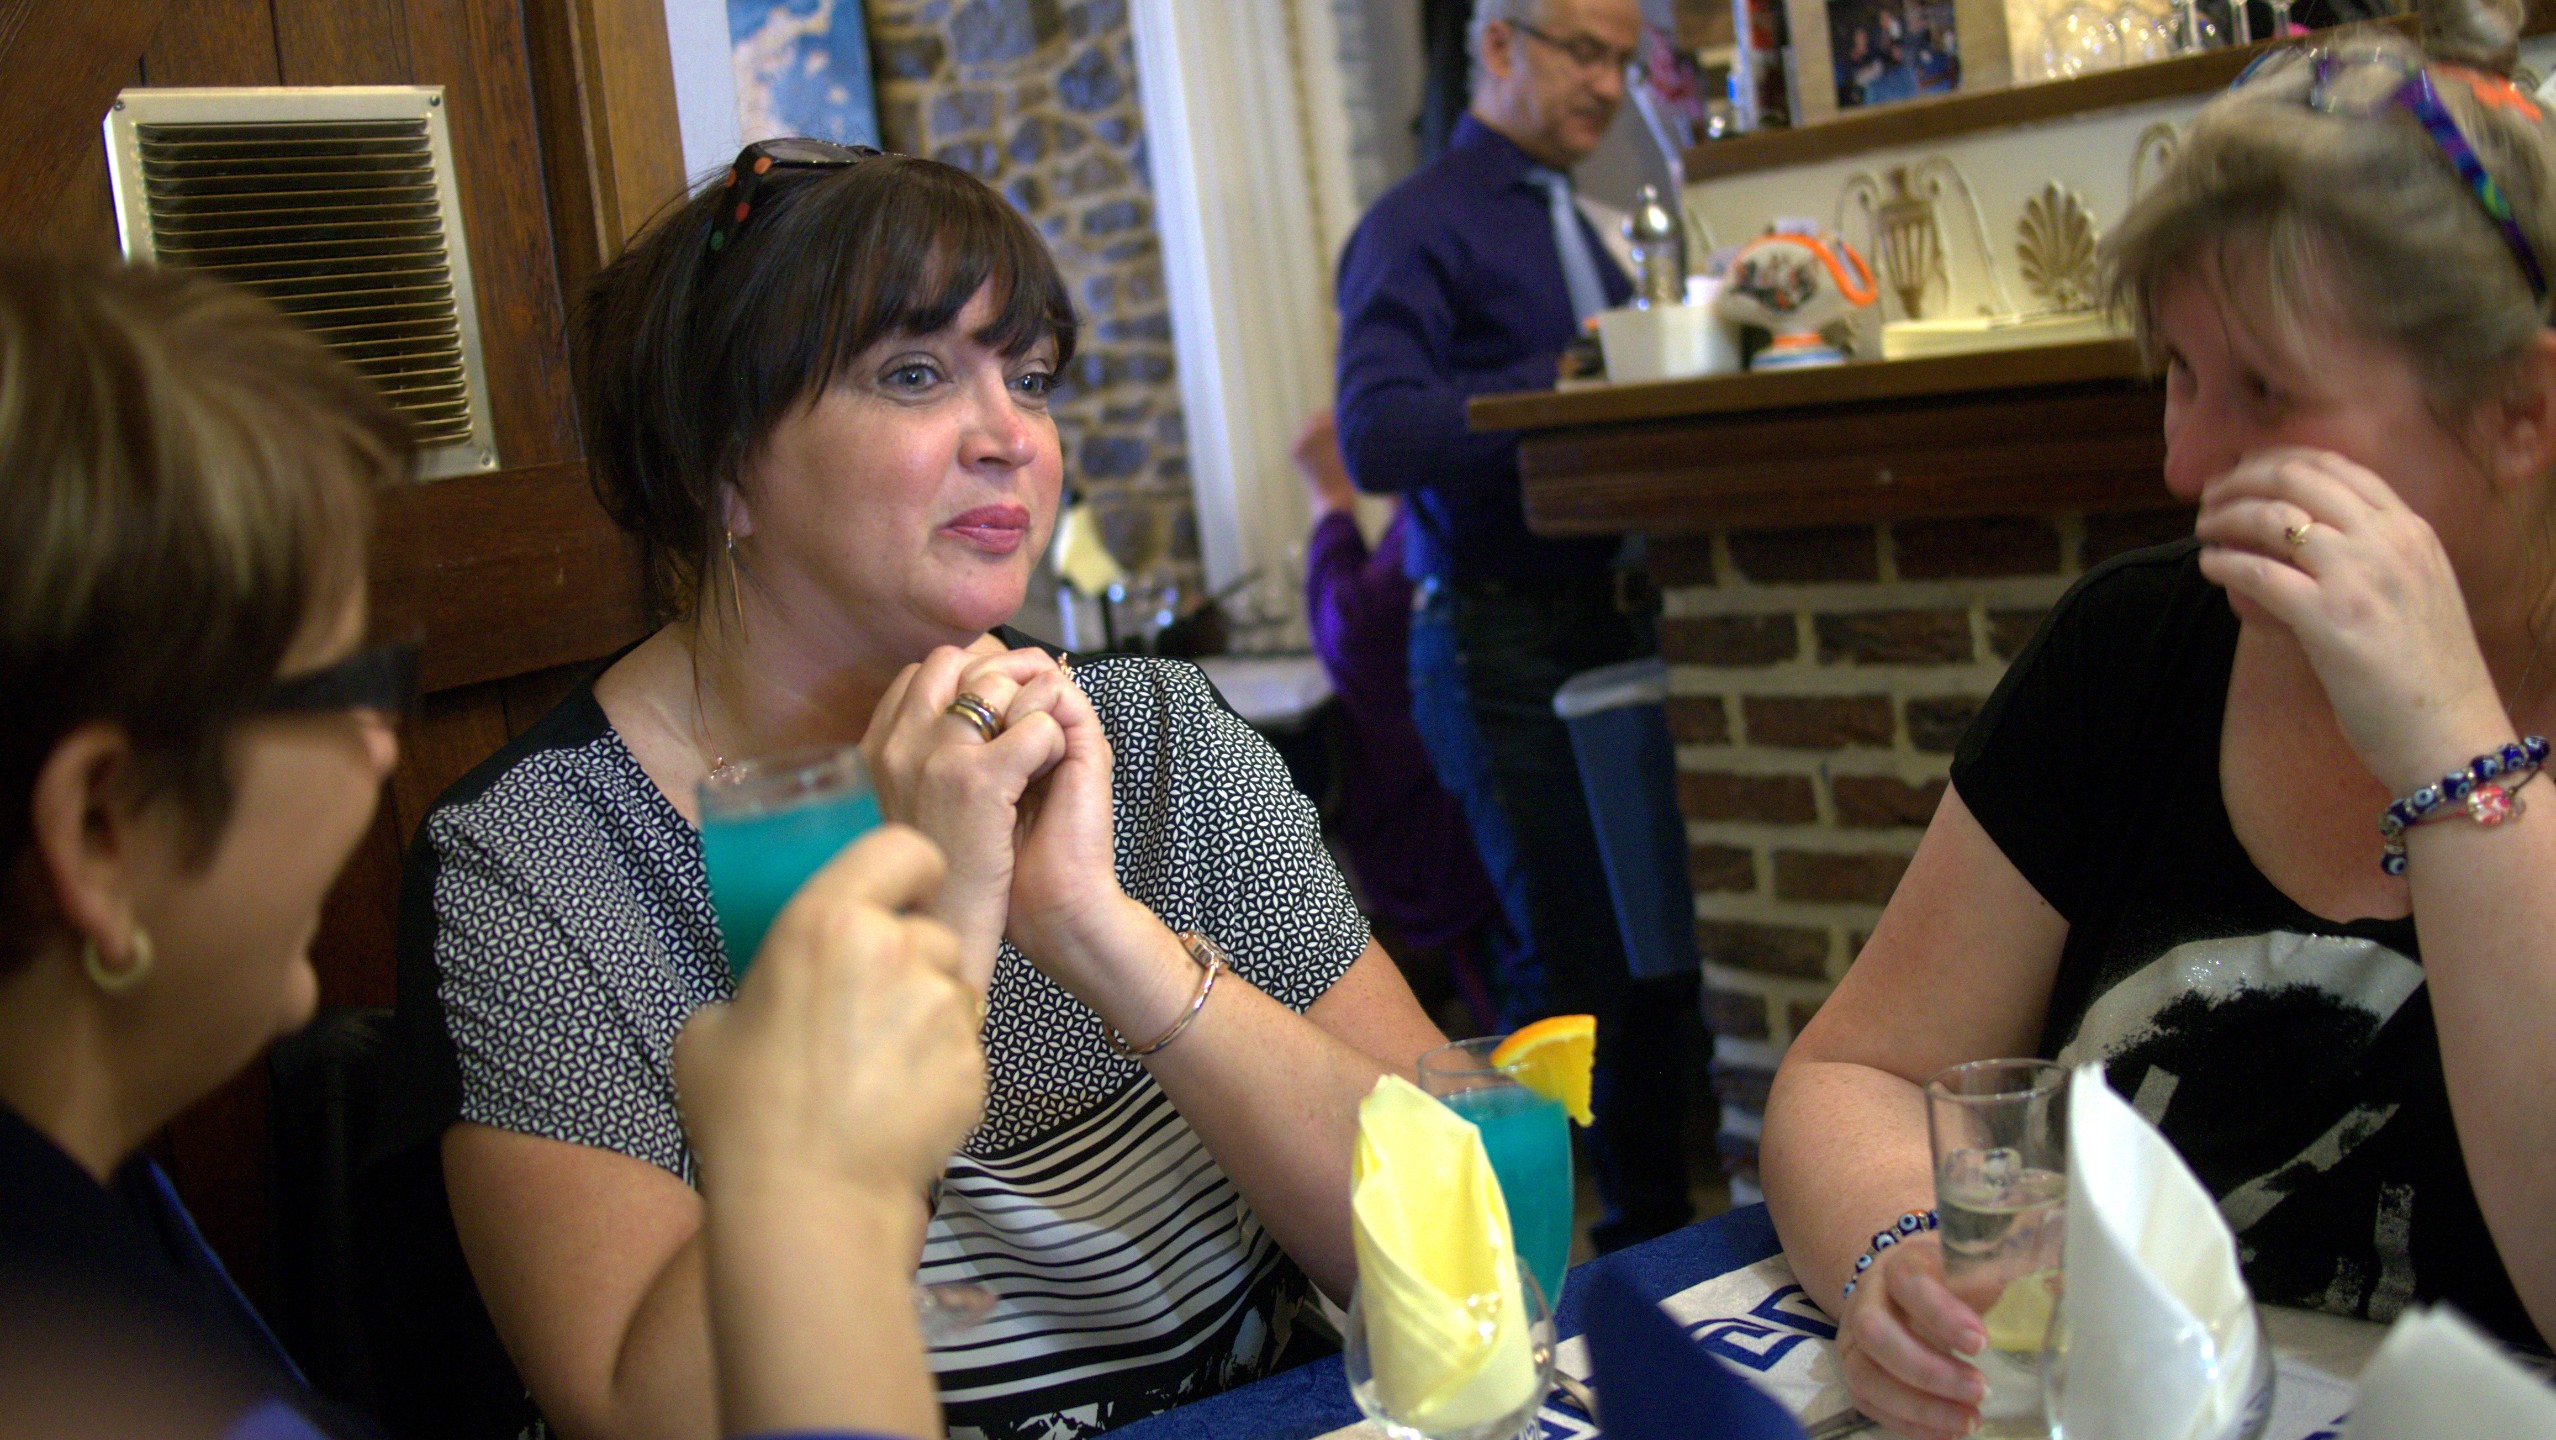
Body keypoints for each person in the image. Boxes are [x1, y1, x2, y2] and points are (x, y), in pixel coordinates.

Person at [390, 145, 1448, 1440]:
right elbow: (655, 1419)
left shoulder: (1157, 739)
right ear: (721, 463)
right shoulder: (545, 860)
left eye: (1031, 378)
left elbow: (1471, 1252)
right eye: (913, 374)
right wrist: (940, 931)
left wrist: (1105, 935)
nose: (1013, 438)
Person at [0, 256, 986, 1440]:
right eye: (351, 683)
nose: (381, 746)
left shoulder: (93, 1221)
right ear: (98, 829)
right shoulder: (62, 1372)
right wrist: (818, 1182)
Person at [1759, 5, 2556, 1436]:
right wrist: (1905, 1252)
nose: (2186, 463)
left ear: (2521, 410)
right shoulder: (2138, 645)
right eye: (2180, 375)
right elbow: (1853, 1075)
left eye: (2267, 390)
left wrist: (2451, 754)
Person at [1333, 0, 1694, 1251]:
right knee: (1574, 965)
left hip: (1619, 625)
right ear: (1497, 45)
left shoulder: (1587, 225)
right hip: (1500, 642)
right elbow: (1376, 433)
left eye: (1623, 59)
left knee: (1653, 960)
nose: (1608, 83)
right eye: (1583, 51)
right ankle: (1567, 1266)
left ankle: (1660, 1239)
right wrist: (1561, 381)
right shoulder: (1419, 224)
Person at [1295, 409, 1508, 1031]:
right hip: (1479, 789)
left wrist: (1330, 497)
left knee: (1514, 1014)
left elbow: (1354, 629)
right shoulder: (1425, 506)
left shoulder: (1437, 503)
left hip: (1463, 814)